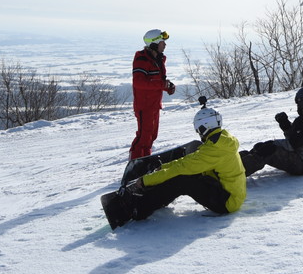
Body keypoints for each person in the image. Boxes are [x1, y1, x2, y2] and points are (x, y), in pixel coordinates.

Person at [102, 105, 246, 229]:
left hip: (227, 202)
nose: (198, 133)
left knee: (183, 181)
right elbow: (188, 161)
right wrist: (163, 167)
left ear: (204, 126)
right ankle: (157, 195)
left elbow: (181, 168)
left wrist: (145, 180)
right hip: (229, 192)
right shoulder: (223, 140)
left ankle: (139, 209)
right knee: (186, 173)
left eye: (198, 129)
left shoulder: (214, 150)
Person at [240, 86, 303, 176]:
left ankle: (237, 171)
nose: (298, 107)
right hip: (300, 157)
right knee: (261, 147)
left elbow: (292, 145)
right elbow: (296, 138)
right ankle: (236, 162)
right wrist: (285, 125)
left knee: (268, 151)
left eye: (299, 103)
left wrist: (272, 144)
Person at [130, 29, 175, 159]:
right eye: (162, 42)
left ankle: (145, 162)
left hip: (155, 105)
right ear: (154, 44)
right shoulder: (142, 59)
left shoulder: (158, 60)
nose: (165, 45)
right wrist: (162, 85)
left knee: (151, 137)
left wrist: (168, 87)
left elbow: (157, 81)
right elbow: (138, 83)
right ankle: (135, 164)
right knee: (143, 137)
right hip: (145, 106)